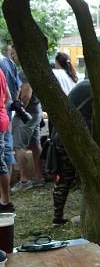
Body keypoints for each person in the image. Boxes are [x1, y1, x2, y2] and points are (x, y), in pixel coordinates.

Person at [50, 66, 100, 225]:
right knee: (90, 175)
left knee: (65, 177)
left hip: (61, 136)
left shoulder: (85, 84)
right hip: (76, 140)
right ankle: (88, 215)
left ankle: (57, 217)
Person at [8, 45, 44, 193]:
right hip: (36, 111)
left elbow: (26, 94)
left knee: (19, 146)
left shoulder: (24, 72)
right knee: (35, 145)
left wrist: (19, 111)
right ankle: (38, 177)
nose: (11, 55)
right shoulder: (32, 68)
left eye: (13, 52)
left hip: (27, 113)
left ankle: (24, 180)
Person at [0, 51, 20, 213]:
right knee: (6, 153)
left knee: (1, 161)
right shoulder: (4, 66)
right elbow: (9, 96)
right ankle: (5, 196)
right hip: (4, 117)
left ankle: (5, 201)